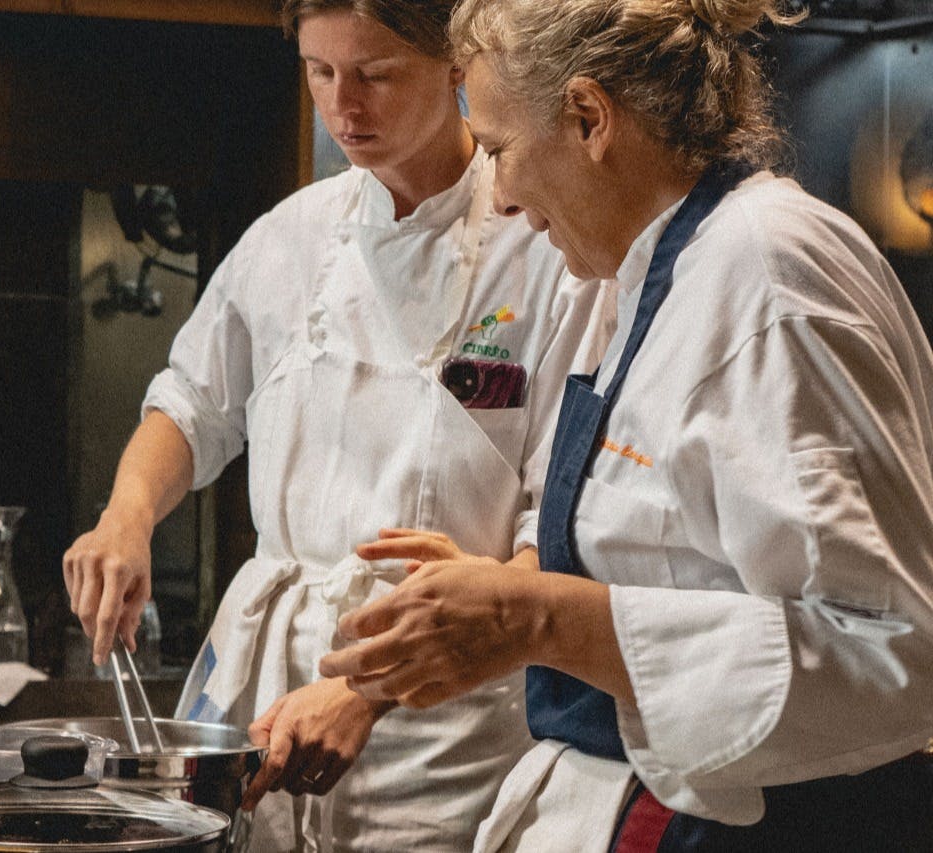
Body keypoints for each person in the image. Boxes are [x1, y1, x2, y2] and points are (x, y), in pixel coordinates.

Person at [319, 0, 933, 849]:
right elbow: (673, 549)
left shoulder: (767, 274)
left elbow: (886, 655)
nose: (502, 199)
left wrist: (539, 617)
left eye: (498, 150)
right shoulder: (646, 276)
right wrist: (512, 584)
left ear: (589, 117)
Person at [61, 1, 614, 849]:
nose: (342, 106)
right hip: (263, 702)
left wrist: (366, 688)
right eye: (319, 72)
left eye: (375, 74)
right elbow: (190, 403)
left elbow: (561, 525)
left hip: (443, 726)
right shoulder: (290, 237)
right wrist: (125, 518)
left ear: (457, 64)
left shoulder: (546, 248)